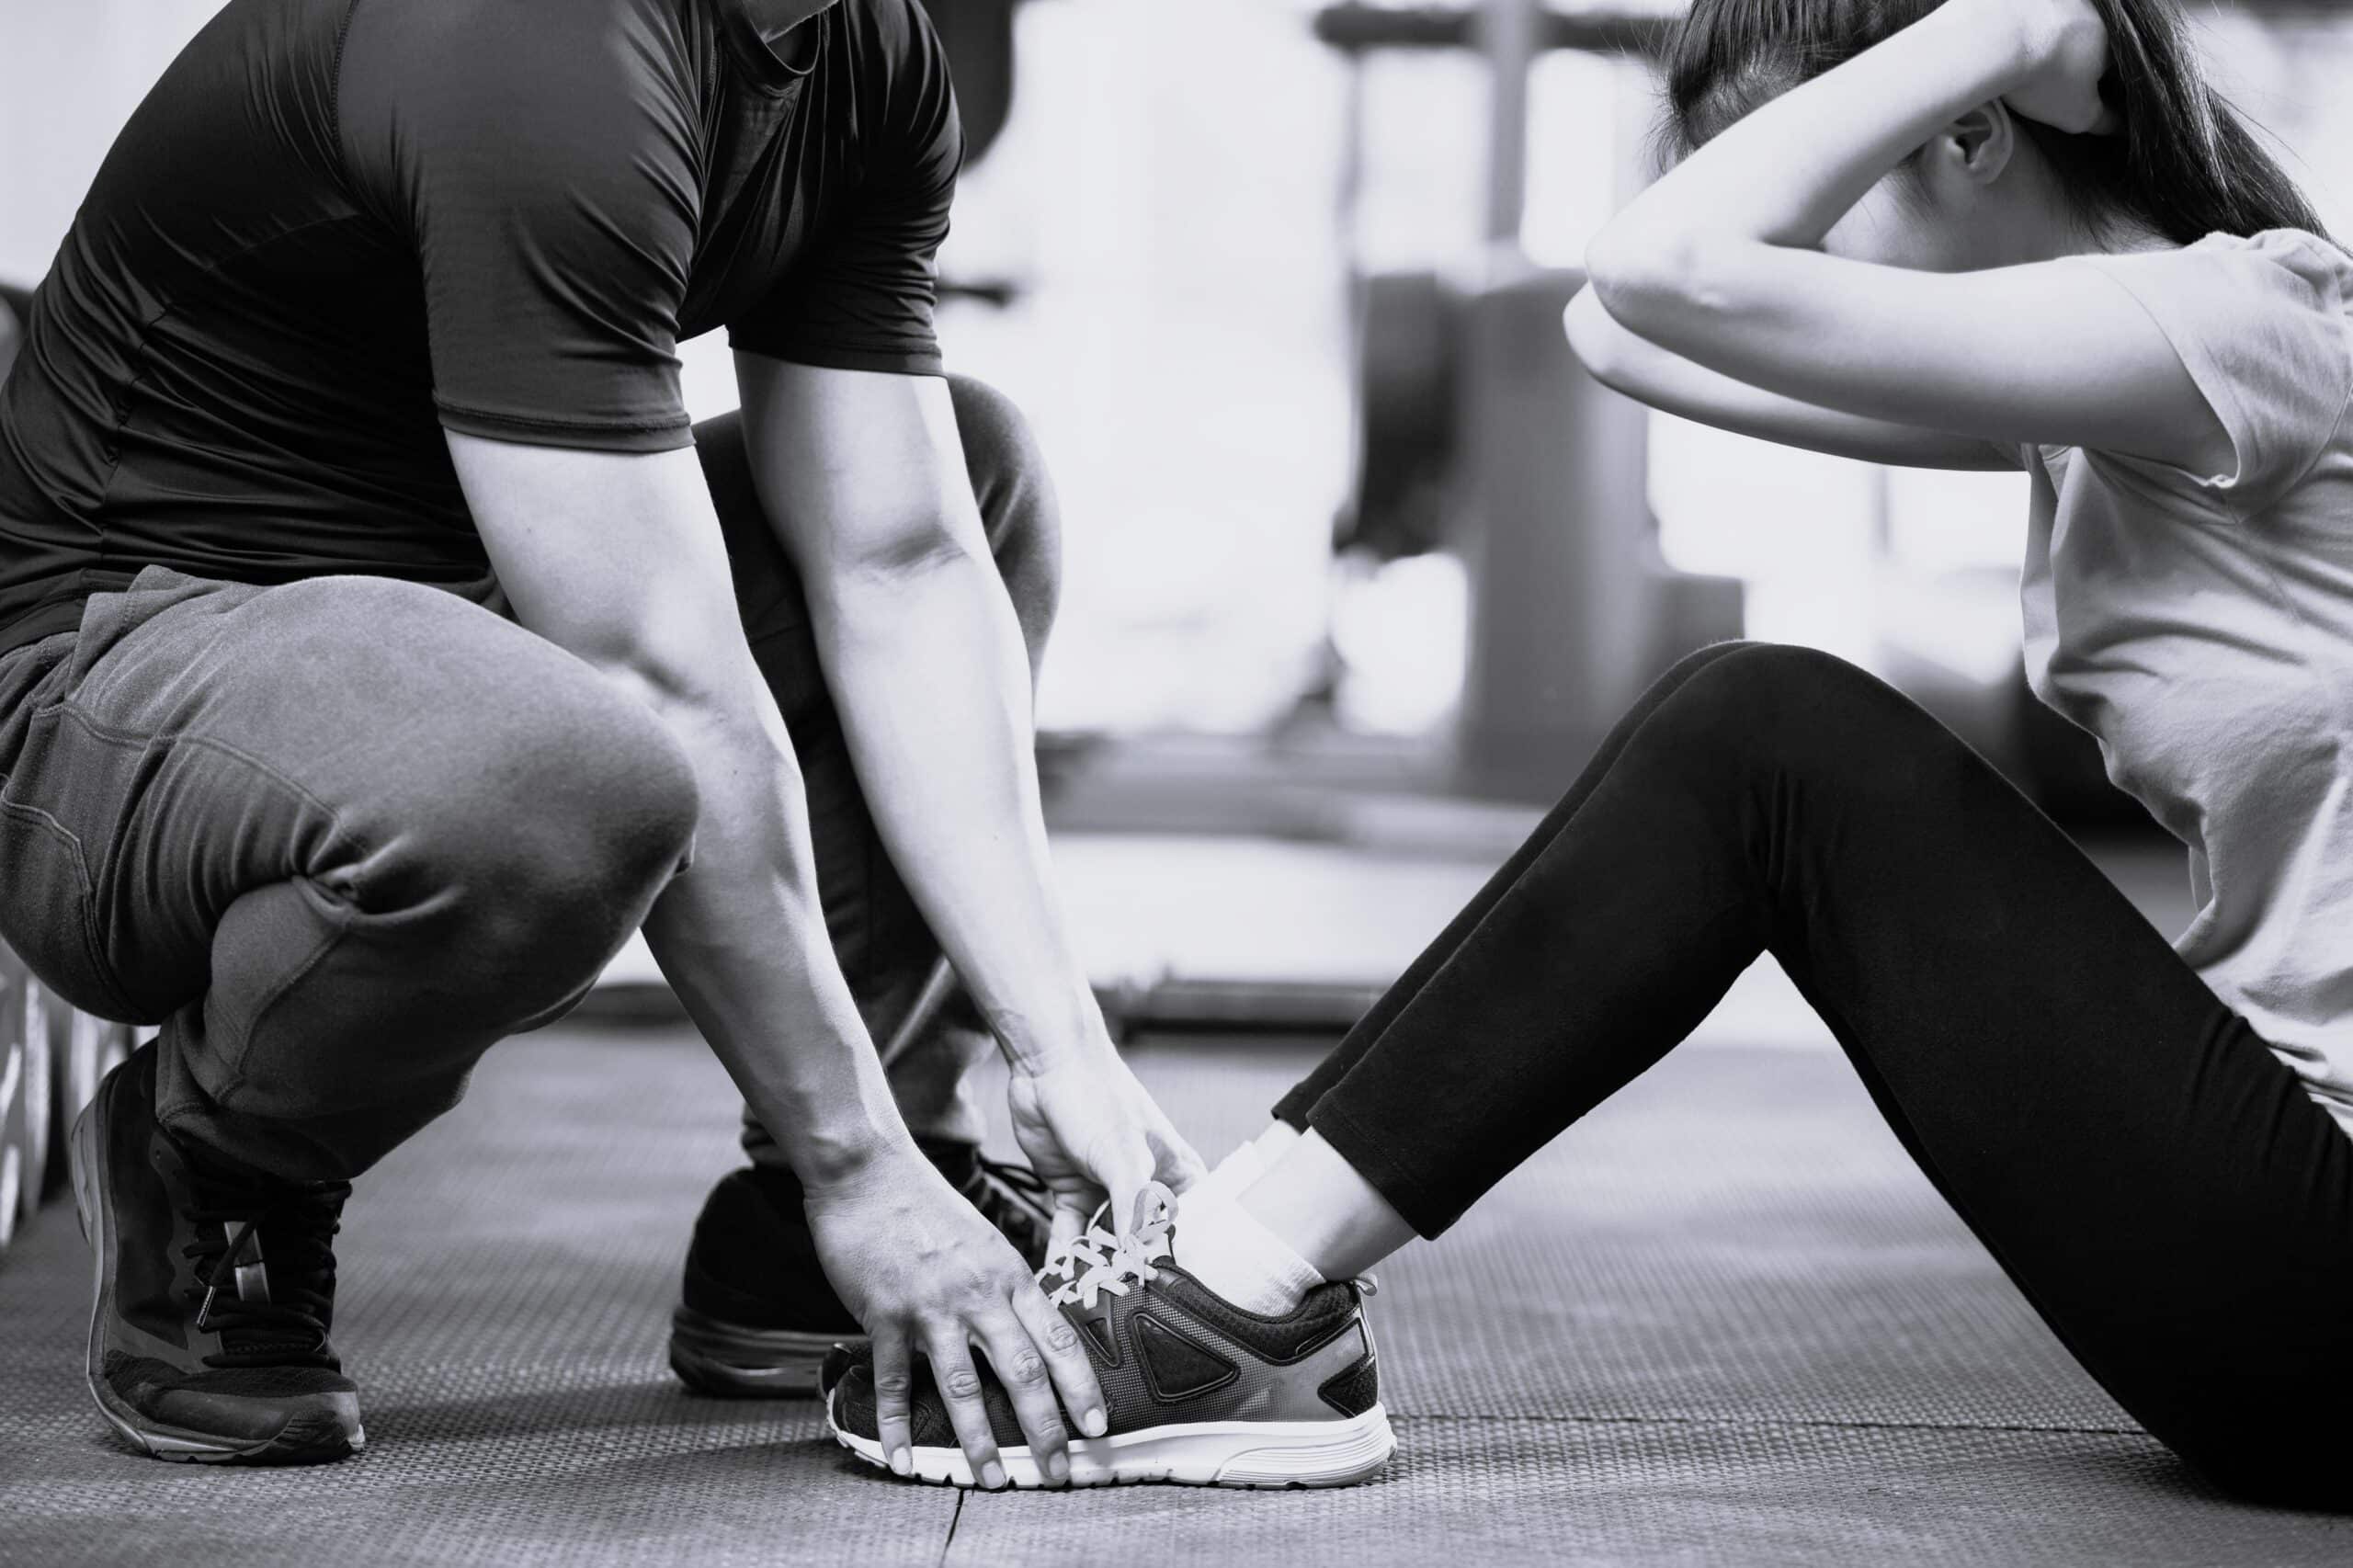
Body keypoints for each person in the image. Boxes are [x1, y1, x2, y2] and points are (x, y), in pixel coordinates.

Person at [826, 0, 2353, 1504]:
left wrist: (2001, 33)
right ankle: (1232, 1259)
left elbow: (1660, 273)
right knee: (1757, 729)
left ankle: (1232, 1291)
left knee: (1768, 736)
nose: (1792, 270)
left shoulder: (2250, 323)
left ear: (1965, 132)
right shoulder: (2101, 410)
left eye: (1819, 208)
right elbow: (1616, 324)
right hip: (2280, 1224)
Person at [0, 0, 1202, 1472]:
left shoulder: (864, 54)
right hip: (106, 688)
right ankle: (217, 1157)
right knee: (567, 770)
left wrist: (1058, 1045)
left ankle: (828, 1225)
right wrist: (851, 1159)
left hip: (458, 614)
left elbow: (895, 565)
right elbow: (648, 674)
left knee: (979, 475)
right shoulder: (543, 38)